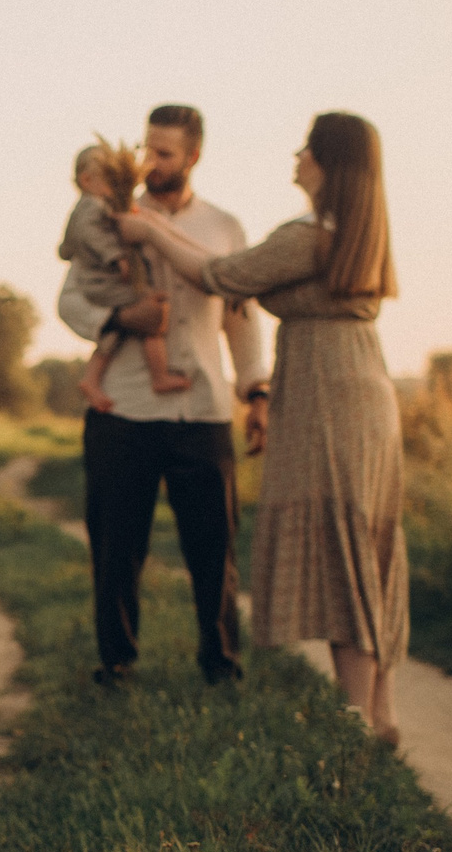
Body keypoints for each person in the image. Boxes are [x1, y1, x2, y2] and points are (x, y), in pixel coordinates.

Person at [119, 111, 408, 741]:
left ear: (329, 164)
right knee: (369, 542)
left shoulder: (308, 235)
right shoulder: (352, 232)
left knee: (340, 543)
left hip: (328, 390)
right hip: (365, 384)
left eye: (307, 149)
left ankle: (355, 717)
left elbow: (221, 276)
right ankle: (381, 712)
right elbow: (236, 266)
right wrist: (161, 227)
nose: (296, 157)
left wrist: (150, 232)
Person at [55, 104, 270, 686]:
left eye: (165, 153)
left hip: (204, 408)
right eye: (146, 149)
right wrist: (122, 316)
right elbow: (70, 300)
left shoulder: (225, 227)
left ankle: (221, 665)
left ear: (194, 156)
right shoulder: (109, 215)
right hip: (123, 408)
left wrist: (256, 391)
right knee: (115, 546)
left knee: (215, 548)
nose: (150, 162)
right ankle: (117, 664)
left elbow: (242, 317)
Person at [58, 137, 190, 413]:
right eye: (108, 178)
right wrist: (117, 257)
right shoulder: (93, 207)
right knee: (152, 311)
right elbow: (94, 236)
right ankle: (160, 376)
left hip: (95, 283)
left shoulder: (84, 209)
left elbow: (67, 247)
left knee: (112, 332)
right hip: (104, 282)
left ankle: (91, 378)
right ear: (87, 180)